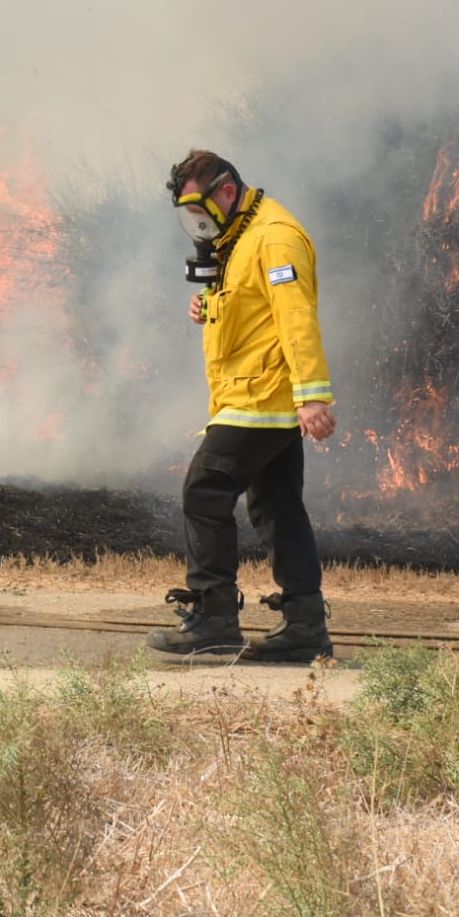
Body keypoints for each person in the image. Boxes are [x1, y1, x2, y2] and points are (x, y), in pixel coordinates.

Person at [147, 149, 337, 662]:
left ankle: (213, 618)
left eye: (199, 207)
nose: (196, 221)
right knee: (277, 509)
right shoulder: (241, 236)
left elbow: (296, 317)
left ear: (226, 191)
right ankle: (305, 627)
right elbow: (249, 310)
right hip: (251, 395)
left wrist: (313, 395)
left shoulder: (274, 238)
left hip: (262, 399)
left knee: (204, 490)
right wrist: (207, 305)